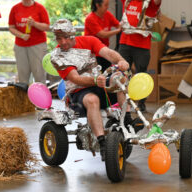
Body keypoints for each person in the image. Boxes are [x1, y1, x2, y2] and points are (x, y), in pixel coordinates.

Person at [50, 19, 131, 161]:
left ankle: (127, 120)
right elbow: (75, 78)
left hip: (98, 84)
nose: (62, 42)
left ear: (72, 34)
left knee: (120, 78)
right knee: (92, 99)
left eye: (66, 37)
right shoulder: (57, 56)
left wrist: (121, 61)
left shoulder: (89, 41)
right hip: (77, 93)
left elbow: (108, 53)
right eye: (59, 38)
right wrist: (95, 80)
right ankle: (102, 143)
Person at [118, 0, 162, 112]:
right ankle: (122, 102)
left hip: (142, 46)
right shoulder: (127, 1)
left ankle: (141, 103)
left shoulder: (150, 4)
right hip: (125, 42)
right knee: (121, 73)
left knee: (141, 74)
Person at [8, 0, 50, 84]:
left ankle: (40, 96)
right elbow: (11, 27)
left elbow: (46, 27)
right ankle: (24, 96)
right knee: (22, 75)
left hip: (38, 45)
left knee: (39, 74)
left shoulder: (40, 8)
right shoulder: (15, 8)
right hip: (20, 46)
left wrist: (34, 24)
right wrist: (22, 35)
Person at [84, 0, 121, 72]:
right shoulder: (90, 18)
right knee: (96, 76)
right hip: (92, 54)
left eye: (108, 5)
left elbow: (118, 24)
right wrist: (117, 31)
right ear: (97, 5)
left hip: (104, 51)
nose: (107, 7)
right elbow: (102, 34)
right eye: (105, 5)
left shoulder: (107, 14)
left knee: (108, 73)